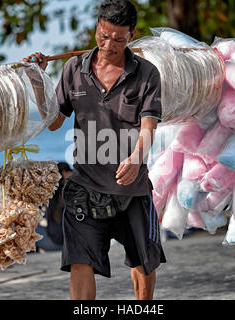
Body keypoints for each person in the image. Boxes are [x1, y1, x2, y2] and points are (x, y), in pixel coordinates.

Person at [23, 0, 166, 300]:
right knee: (80, 261)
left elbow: (149, 127)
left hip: (132, 188)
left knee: (144, 261)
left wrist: (137, 159)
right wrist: (38, 81)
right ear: (97, 27)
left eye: (118, 38)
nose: (109, 44)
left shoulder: (147, 74)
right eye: (103, 35)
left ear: (132, 35)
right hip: (85, 186)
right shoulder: (74, 69)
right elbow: (53, 122)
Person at [35, 162, 73, 251]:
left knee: (28, 229)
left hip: (54, 243)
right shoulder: (70, 192)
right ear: (64, 173)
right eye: (70, 171)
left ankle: (33, 253)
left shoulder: (49, 194)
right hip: (68, 244)